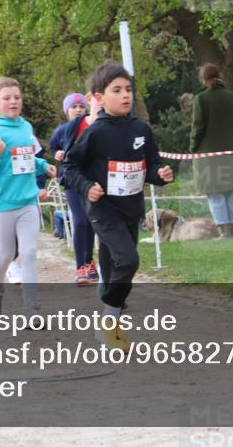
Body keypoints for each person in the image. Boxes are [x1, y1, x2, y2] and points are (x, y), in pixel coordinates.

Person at [63, 61, 174, 352]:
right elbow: (70, 168)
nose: (126, 95)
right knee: (129, 260)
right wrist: (87, 187)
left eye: (128, 89)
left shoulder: (142, 129)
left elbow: (150, 166)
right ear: (99, 98)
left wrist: (160, 175)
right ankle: (109, 323)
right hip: (103, 210)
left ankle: (107, 298)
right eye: (117, 90)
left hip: (130, 209)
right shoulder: (94, 132)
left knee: (115, 265)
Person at [0, 76, 57, 319]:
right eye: (7, 98)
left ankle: (31, 309)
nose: (13, 101)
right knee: (6, 254)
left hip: (27, 200)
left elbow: (27, 156)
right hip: (1, 203)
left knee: (29, 253)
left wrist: (43, 166)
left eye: (17, 97)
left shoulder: (25, 127)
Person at [50, 90, 100, 284]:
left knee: (91, 221)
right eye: (74, 107)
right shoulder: (62, 130)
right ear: (66, 111)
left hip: (91, 180)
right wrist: (58, 154)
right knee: (79, 221)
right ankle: (80, 266)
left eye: (81, 107)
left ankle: (89, 262)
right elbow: (54, 147)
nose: (78, 110)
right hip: (71, 181)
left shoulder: (92, 125)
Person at [190, 63, 233, 238]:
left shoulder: (201, 99)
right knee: (231, 193)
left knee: (215, 194)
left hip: (208, 155)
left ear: (203, 78)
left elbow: (198, 128)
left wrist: (192, 149)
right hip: (230, 152)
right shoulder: (232, 97)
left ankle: (224, 232)